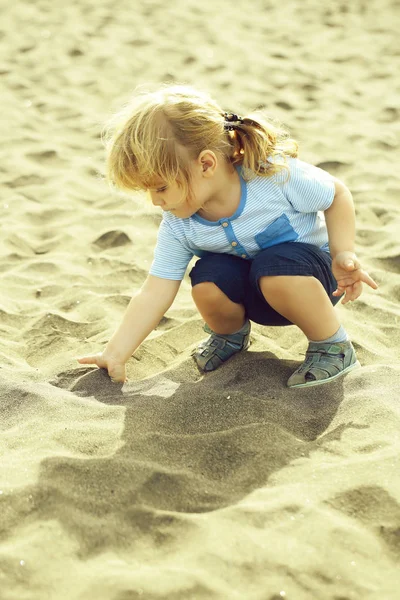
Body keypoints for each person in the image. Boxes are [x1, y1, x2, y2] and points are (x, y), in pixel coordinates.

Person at [77, 84, 378, 388]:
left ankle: (333, 346)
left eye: (161, 188)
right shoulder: (180, 224)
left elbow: (336, 194)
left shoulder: (273, 176)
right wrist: (115, 353)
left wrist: (342, 252)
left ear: (206, 164)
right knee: (207, 277)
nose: (156, 201)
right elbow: (155, 291)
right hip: (255, 294)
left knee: (274, 265)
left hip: (311, 283)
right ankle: (230, 337)